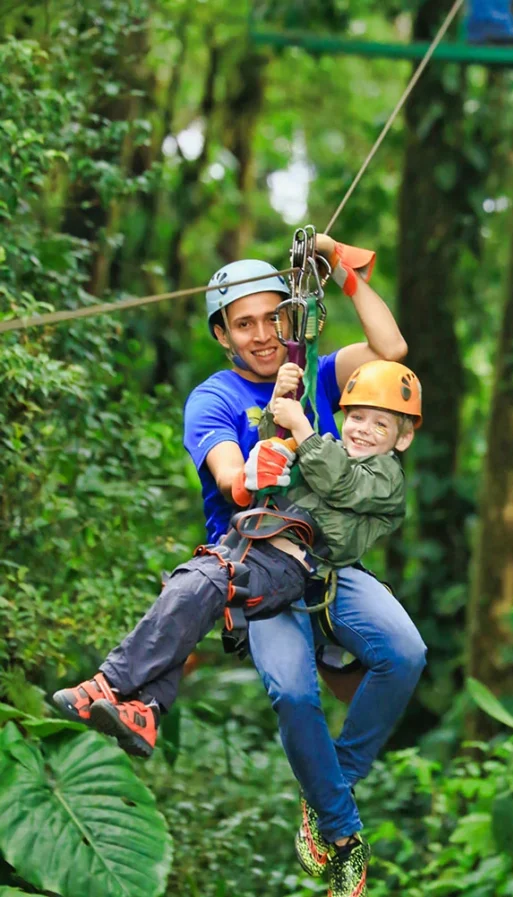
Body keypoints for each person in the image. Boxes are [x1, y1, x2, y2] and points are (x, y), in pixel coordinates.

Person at [55, 236, 427, 897]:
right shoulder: (213, 396)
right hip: (257, 563)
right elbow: (229, 471)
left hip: (327, 557)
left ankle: (328, 790)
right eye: (243, 323)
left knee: (404, 651)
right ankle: (340, 822)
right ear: (223, 334)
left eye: (270, 318)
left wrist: (341, 267)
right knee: (291, 692)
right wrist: (251, 469)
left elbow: (390, 351)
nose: (260, 335)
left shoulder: (315, 370)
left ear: (289, 317)